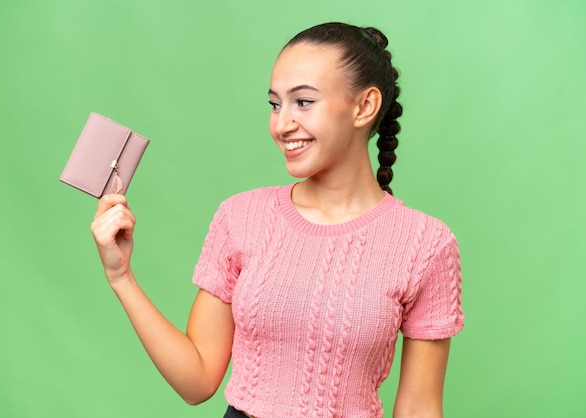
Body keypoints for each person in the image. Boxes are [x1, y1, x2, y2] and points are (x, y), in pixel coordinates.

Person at [91, 22, 464, 418]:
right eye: (275, 104)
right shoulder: (241, 216)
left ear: (364, 106)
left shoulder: (426, 244)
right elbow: (197, 381)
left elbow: (420, 408)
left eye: (303, 102)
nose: (281, 124)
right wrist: (122, 278)